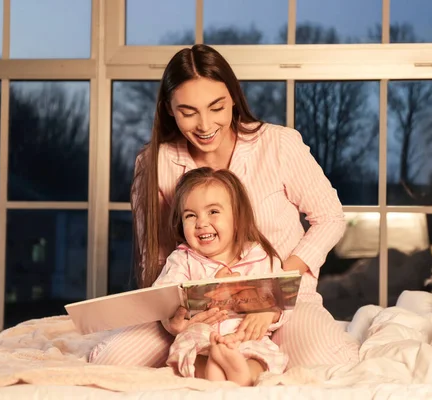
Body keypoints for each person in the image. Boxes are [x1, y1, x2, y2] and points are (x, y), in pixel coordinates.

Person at [88, 44, 359, 369]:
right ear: (169, 109)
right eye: (188, 111)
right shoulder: (154, 162)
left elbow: (330, 217)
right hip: (199, 314)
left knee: (325, 361)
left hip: (282, 302)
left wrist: (273, 290)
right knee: (110, 361)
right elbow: (157, 255)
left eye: (216, 107)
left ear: (233, 97)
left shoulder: (279, 144)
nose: (204, 125)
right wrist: (171, 320)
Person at [153, 167, 290, 386]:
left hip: (244, 335)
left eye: (213, 212)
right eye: (190, 215)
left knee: (262, 354)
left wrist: (268, 313)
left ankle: (241, 372)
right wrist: (175, 322)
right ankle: (212, 372)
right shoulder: (182, 259)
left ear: (237, 218)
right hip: (201, 336)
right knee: (186, 350)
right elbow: (163, 298)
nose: (201, 223)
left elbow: (284, 298)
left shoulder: (258, 256)